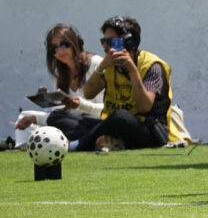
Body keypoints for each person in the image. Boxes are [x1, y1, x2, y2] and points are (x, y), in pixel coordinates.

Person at [73, 16, 176, 151]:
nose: (105, 46)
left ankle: (78, 145)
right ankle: (115, 142)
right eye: (103, 41)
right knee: (68, 119)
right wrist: (101, 67)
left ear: (128, 42)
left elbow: (144, 107)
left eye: (110, 42)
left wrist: (133, 70)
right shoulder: (110, 65)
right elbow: (88, 94)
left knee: (120, 116)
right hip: (116, 124)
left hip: (150, 131)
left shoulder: (151, 66)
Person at [15, 24, 104, 145]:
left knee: (57, 119)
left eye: (64, 45)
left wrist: (79, 105)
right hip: (70, 123)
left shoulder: (96, 63)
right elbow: (58, 113)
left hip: (95, 122)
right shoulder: (60, 72)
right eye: (54, 48)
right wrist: (35, 118)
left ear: (75, 43)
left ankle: (77, 143)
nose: (60, 51)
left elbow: (106, 109)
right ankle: (22, 147)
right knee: (25, 116)